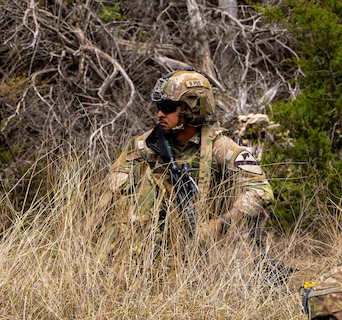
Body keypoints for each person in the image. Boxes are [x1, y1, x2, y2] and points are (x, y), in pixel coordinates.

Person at [99, 69, 273, 254]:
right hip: (145, 242)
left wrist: (222, 223)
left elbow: (262, 190)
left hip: (202, 247)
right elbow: (115, 181)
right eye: (158, 107)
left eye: (167, 108)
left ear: (191, 108)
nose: (159, 114)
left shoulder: (220, 148)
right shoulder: (147, 144)